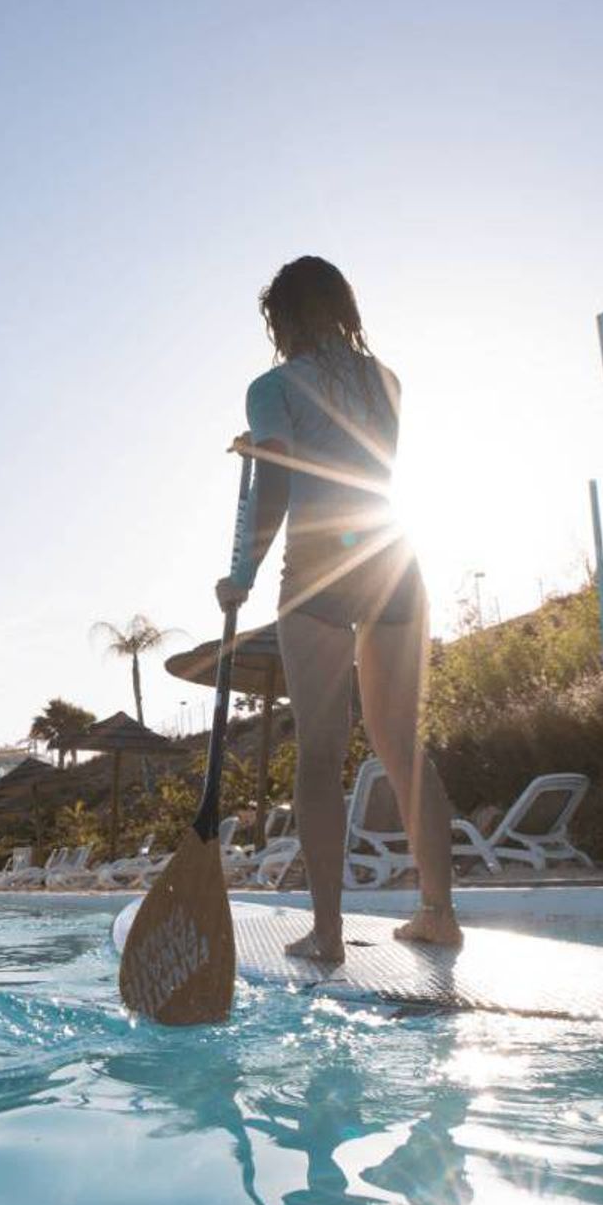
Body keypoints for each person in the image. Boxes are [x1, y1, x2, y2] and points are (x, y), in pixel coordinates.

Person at [215, 255, 462, 958]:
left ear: (284, 318)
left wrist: (241, 575)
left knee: (320, 756)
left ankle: (327, 933)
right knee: (401, 747)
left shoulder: (269, 387)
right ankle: (439, 912)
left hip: (322, 566)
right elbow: (348, 456)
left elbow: (277, 484)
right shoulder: (388, 381)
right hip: (391, 556)